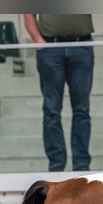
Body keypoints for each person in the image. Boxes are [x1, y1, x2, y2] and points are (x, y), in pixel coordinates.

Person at [23, 14, 95, 172]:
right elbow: (28, 14)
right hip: (51, 47)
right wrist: (37, 39)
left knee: (82, 109)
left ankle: (81, 163)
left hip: (81, 45)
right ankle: (56, 162)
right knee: (51, 109)